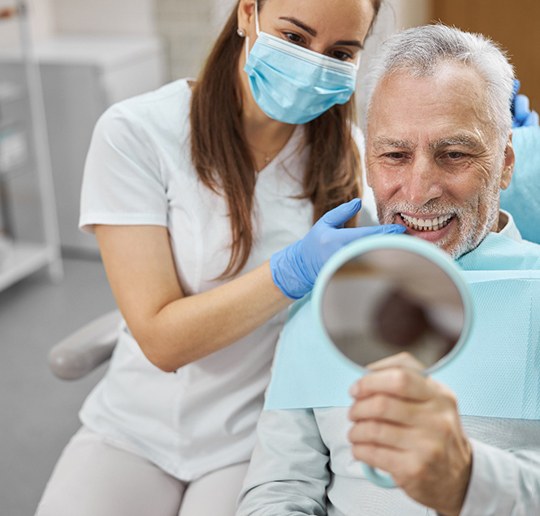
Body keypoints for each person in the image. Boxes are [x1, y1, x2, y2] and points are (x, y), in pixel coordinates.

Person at [35, 1, 410, 515]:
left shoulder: (349, 157)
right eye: (295, 38)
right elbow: (161, 341)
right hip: (133, 427)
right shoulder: (138, 133)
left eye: (340, 52)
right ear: (247, 13)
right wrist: (291, 271)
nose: (314, 63)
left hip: (254, 438)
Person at [237, 25, 540, 515]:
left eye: (455, 154)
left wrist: (468, 480)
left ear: (505, 164)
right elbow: (280, 487)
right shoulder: (322, 303)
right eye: (395, 155)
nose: (419, 191)